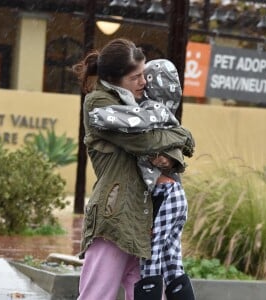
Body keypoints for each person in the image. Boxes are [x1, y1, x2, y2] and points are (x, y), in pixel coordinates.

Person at [74, 38, 194, 300]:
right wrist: (182, 136)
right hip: (114, 216)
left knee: (149, 293)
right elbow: (145, 141)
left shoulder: (137, 102)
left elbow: (162, 144)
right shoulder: (98, 104)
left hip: (144, 216)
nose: (144, 82)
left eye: (143, 74)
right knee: (97, 295)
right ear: (115, 79)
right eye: (135, 76)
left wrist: (172, 158)